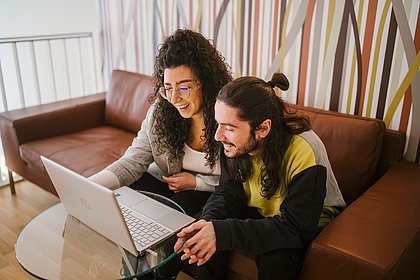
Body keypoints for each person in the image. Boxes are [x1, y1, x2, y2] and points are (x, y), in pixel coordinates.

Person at [174, 73, 346, 279]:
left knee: (275, 260)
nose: (218, 136)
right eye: (219, 124)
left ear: (263, 128)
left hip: (305, 219)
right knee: (202, 234)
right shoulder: (232, 143)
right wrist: (209, 224)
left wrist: (224, 233)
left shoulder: (304, 150)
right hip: (262, 208)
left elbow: (295, 228)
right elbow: (228, 192)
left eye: (229, 127)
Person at [89, 28, 232, 217]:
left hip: (208, 191)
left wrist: (198, 183)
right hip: (163, 180)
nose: (174, 99)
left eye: (183, 87)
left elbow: (240, 183)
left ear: (207, 81)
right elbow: (132, 162)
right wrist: (87, 187)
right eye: (167, 88)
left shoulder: (230, 114)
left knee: (172, 216)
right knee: (116, 207)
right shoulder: (161, 110)